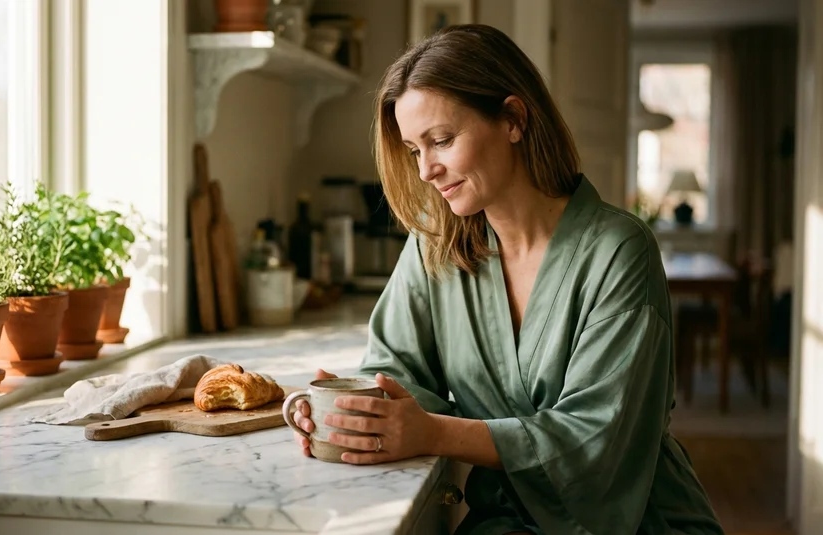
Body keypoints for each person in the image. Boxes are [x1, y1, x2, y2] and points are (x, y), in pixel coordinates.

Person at [290, 24, 725, 535]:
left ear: (514, 119)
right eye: (414, 150)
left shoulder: (619, 250)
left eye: (441, 141)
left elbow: (597, 439)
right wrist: (347, 413)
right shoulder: (436, 245)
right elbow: (396, 371)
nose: (426, 170)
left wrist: (433, 433)